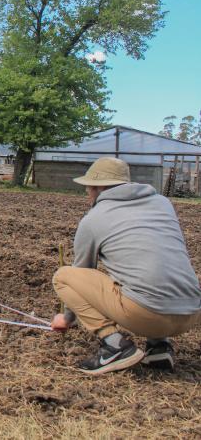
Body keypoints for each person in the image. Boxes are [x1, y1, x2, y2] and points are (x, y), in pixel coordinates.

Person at [51, 157, 201, 375]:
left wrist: (66, 319)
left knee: (64, 276)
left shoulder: (93, 219)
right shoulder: (162, 204)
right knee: (145, 267)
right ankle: (159, 347)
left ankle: (114, 346)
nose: (87, 193)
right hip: (191, 312)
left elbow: (83, 270)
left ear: (99, 187)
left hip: (148, 316)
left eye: (89, 188)